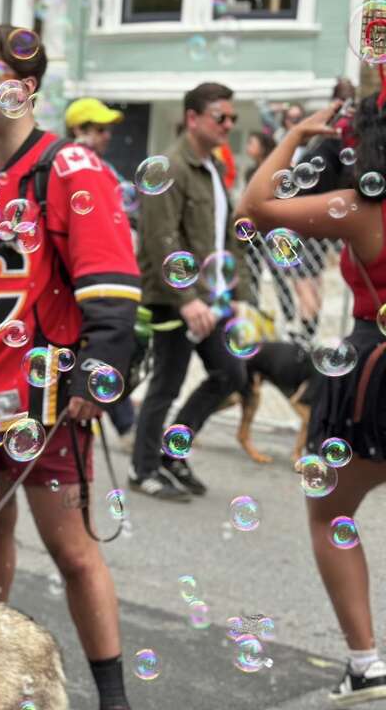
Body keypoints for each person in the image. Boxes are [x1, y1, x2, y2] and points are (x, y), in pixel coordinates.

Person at [0, 25, 139, 710]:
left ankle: (112, 697)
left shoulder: (71, 169)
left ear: (26, 88)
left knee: (74, 551)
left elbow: (112, 282)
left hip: (45, 405)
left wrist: (97, 372)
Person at [236, 96, 386, 705]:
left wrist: (295, 133)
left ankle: (366, 662)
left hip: (375, 367)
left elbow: (254, 208)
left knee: (330, 512)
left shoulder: (361, 210)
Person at [129, 82, 252, 503]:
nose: (229, 124)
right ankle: (143, 469)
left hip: (210, 298)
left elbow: (226, 235)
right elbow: (159, 237)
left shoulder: (213, 168)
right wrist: (187, 299)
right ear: (193, 118)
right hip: (174, 298)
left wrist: (236, 290)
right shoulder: (169, 166)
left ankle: (170, 452)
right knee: (167, 382)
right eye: (222, 116)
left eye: (232, 117)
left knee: (230, 374)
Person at [65, 97, 138, 435]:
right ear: (77, 129)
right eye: (98, 128)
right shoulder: (70, 170)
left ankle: (126, 424)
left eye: (109, 128)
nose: (107, 135)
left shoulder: (102, 169)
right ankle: (127, 425)